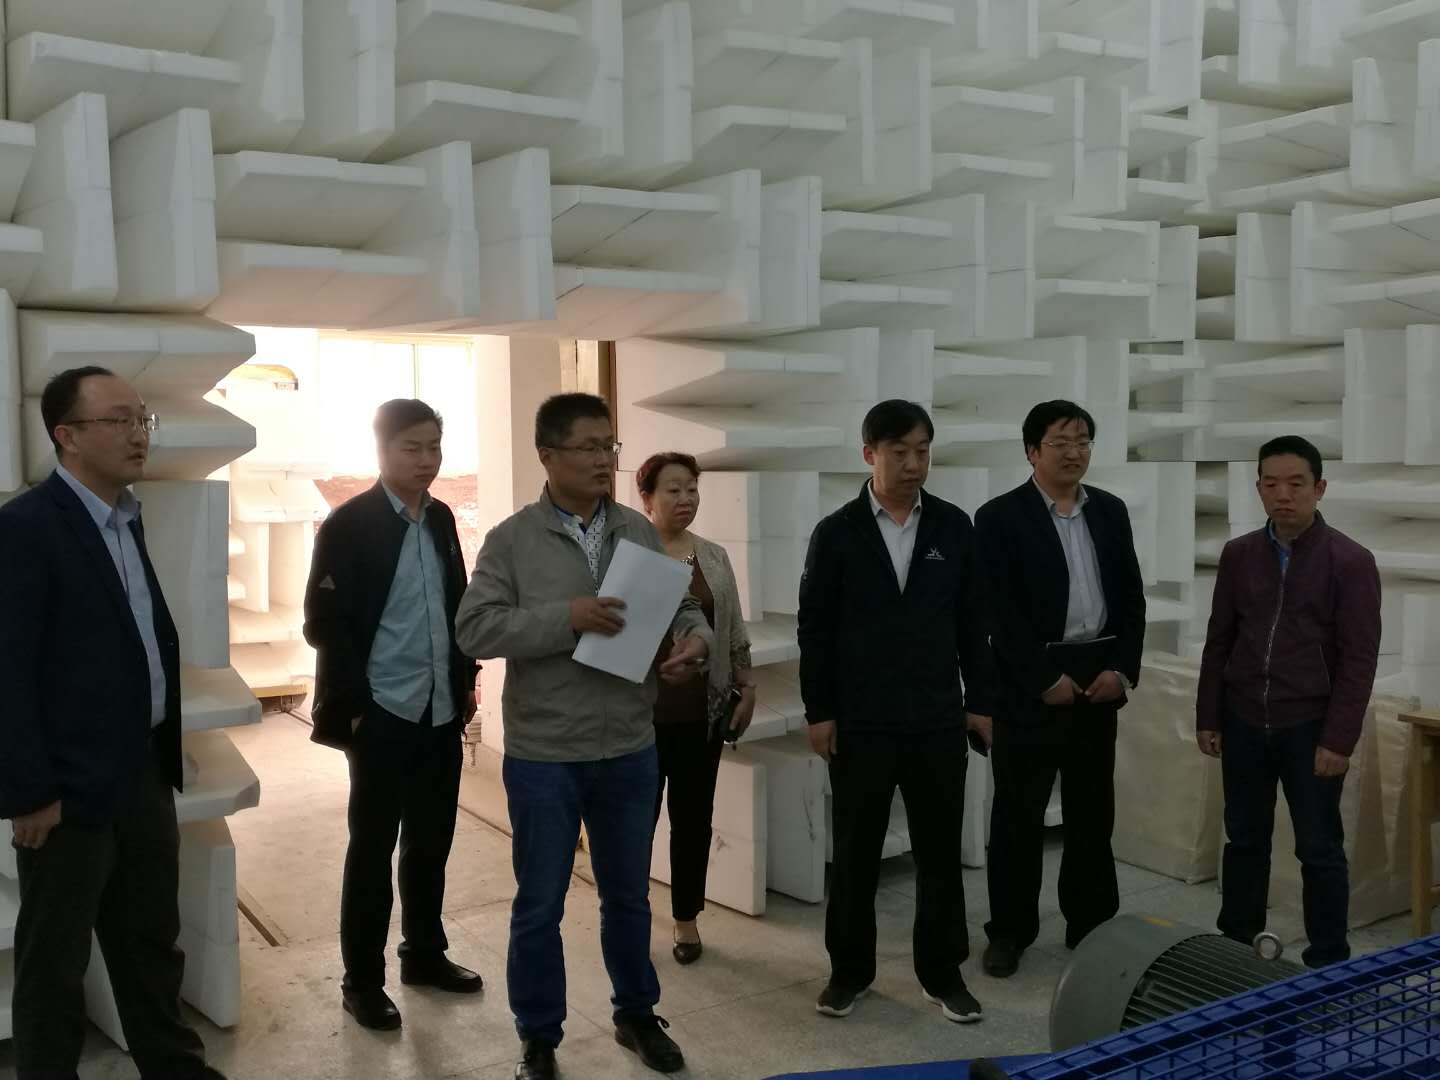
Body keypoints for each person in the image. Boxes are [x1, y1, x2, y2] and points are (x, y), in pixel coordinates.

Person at [455, 393, 713, 1080]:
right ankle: (539, 1036)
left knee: (628, 896)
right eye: (589, 447)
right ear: (548, 455)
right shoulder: (511, 539)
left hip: (629, 744)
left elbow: (681, 602)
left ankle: (636, 1014)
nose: (604, 459)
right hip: (546, 755)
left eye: (610, 446)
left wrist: (695, 638)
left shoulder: (637, 529)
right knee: (539, 904)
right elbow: (474, 629)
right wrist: (564, 617)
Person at [0, 366, 227, 1079]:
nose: (138, 434)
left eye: (142, 419)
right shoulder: (25, 528)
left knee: (151, 942)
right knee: (54, 963)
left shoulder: (127, 516)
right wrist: (30, 791)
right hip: (66, 792)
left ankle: (175, 1069)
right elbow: (7, 670)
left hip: (142, 772)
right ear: (67, 436)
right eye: (119, 420)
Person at [797, 399, 996, 1024]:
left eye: (923, 451)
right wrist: (820, 711)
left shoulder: (954, 527)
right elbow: (814, 630)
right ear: (869, 454)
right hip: (861, 723)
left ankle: (943, 972)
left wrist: (980, 702)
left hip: (937, 719)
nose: (914, 464)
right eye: (900, 452)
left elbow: (974, 624)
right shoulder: (837, 532)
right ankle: (848, 972)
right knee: (855, 853)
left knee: (939, 853)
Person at [303, 398, 483, 1031]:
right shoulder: (348, 524)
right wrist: (356, 709)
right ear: (381, 451)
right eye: (413, 448)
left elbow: (457, 603)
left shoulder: (441, 519)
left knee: (431, 842)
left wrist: (465, 679)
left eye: (434, 447)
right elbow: (323, 623)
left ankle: (423, 955)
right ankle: (362, 982)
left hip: (440, 708)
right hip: (381, 710)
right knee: (373, 849)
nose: (427, 460)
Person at [1196, 435, 1381, 968]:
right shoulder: (1238, 555)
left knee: (1318, 848)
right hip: (1243, 720)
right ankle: (1236, 948)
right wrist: (1209, 714)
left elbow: (1359, 659)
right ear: (1258, 488)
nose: (1283, 494)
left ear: (1319, 488)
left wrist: (1338, 739)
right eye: (1271, 484)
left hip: (1310, 725)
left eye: (1296, 484)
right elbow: (1220, 639)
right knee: (1243, 840)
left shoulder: (1350, 561)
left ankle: (1328, 960)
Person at [976, 400, 1146, 979]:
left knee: (1093, 812)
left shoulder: (1111, 511)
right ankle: (1009, 931)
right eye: (1061, 442)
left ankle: (1092, 923)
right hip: (1031, 684)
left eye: (1083, 441)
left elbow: (1132, 599)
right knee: (1018, 817)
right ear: (1032, 451)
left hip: (1099, 677)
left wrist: (1121, 670)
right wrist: (1042, 679)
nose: (1074, 453)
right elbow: (998, 613)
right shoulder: (998, 518)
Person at [637, 451, 756, 966]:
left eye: (691, 488)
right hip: (639, 719)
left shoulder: (713, 556)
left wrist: (746, 684)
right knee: (635, 824)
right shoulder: (628, 555)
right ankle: (630, 914)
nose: (685, 498)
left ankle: (686, 918)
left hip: (701, 715)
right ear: (646, 498)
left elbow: (733, 627)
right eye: (673, 489)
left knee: (692, 821)